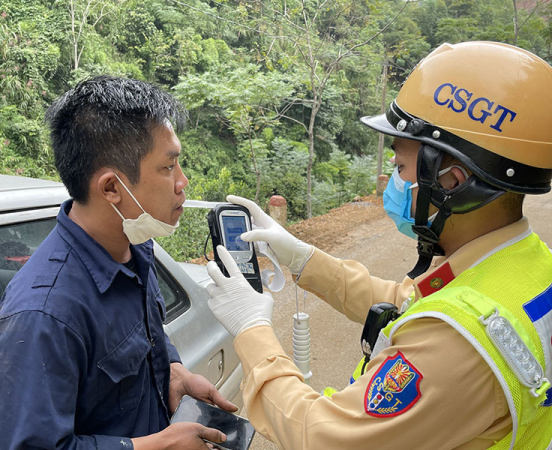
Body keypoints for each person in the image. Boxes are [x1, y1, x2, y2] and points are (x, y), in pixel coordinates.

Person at [205, 42, 552, 449]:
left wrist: (252, 330)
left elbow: (318, 436)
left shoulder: (458, 339)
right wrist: (302, 257)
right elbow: (408, 304)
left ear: (452, 182)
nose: (394, 179)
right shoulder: (525, 267)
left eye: (401, 166)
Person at [0, 76, 236, 450]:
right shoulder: (43, 316)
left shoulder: (133, 248)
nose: (183, 182)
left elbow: (142, 339)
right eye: (168, 168)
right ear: (112, 188)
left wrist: (173, 372)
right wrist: (158, 446)